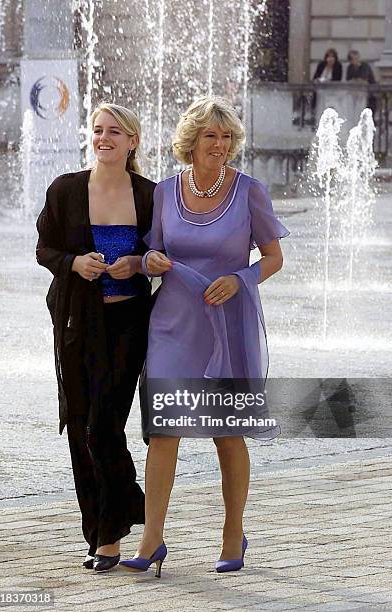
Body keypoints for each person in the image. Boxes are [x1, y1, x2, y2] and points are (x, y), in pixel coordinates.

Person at [119, 96, 289, 576]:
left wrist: (242, 278)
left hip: (226, 324)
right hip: (172, 322)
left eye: (228, 136)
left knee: (226, 433)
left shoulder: (249, 191)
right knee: (164, 432)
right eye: (212, 136)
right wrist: (151, 260)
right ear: (192, 142)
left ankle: (233, 531)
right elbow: (154, 249)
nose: (221, 144)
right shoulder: (166, 191)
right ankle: (152, 539)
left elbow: (273, 258)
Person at [36, 103, 156, 572]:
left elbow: (161, 249)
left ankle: (118, 521)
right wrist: (73, 264)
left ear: (132, 142)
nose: (104, 138)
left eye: (114, 132)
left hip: (128, 324)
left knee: (102, 428)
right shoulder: (65, 189)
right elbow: (45, 247)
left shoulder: (149, 195)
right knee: (80, 430)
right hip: (76, 323)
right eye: (98, 130)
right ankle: (105, 533)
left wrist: (139, 262)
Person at [346, 50, 377, 117]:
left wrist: (355, 80)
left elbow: (364, 81)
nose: (356, 60)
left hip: (369, 94)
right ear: (351, 60)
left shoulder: (365, 66)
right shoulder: (350, 68)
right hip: (355, 94)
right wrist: (357, 80)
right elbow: (348, 81)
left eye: (357, 58)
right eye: (354, 59)